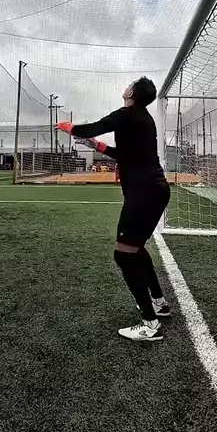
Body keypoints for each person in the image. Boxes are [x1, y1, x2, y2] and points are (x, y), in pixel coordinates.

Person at [56, 77, 171, 343]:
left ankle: (150, 325)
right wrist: (97, 146)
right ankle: (159, 303)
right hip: (154, 191)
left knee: (124, 255)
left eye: (130, 85)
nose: (126, 87)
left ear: (131, 93)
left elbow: (95, 127)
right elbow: (127, 154)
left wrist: (68, 127)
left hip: (144, 194)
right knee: (135, 249)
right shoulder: (143, 119)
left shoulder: (127, 114)